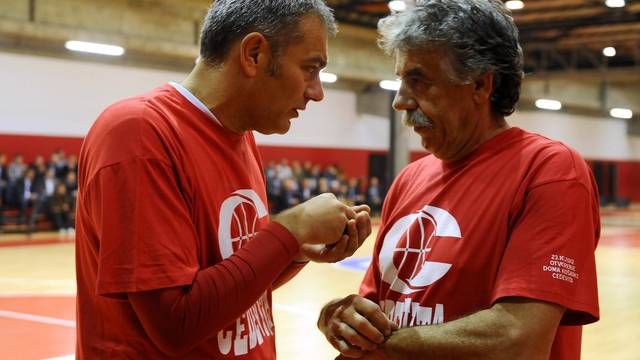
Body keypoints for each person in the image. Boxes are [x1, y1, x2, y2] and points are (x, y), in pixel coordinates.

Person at [75, 1, 373, 358]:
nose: (317, 91)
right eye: (310, 69)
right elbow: (176, 323)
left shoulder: (240, 135)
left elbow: (234, 289)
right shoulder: (139, 132)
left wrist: (294, 251)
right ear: (254, 54)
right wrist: (289, 230)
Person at [317, 1, 600, 359]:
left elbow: (518, 342)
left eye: (417, 81)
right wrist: (340, 319)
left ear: (480, 84)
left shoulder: (551, 171)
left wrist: (380, 345)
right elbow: (375, 314)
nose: (399, 102)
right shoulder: (409, 179)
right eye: (401, 81)